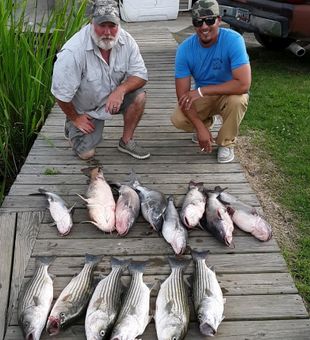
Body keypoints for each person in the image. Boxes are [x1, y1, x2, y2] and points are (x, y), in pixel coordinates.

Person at [51, 0, 150, 160]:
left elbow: (140, 75)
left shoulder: (127, 41)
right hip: (86, 109)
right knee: (86, 154)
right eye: (101, 25)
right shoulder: (73, 52)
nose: (107, 32)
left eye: (112, 26)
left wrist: (121, 90)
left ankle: (126, 141)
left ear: (119, 24)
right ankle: (70, 124)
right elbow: (60, 94)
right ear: (91, 23)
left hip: (112, 98)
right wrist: (75, 118)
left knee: (139, 96)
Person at [171, 0, 251, 163]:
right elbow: (182, 95)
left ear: (219, 20)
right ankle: (206, 124)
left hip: (229, 94)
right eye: (198, 22)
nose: (204, 27)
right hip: (205, 98)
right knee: (178, 118)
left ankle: (226, 142)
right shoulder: (185, 49)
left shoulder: (234, 40)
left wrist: (201, 91)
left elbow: (243, 84)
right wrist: (200, 127)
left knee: (239, 100)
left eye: (209, 20)